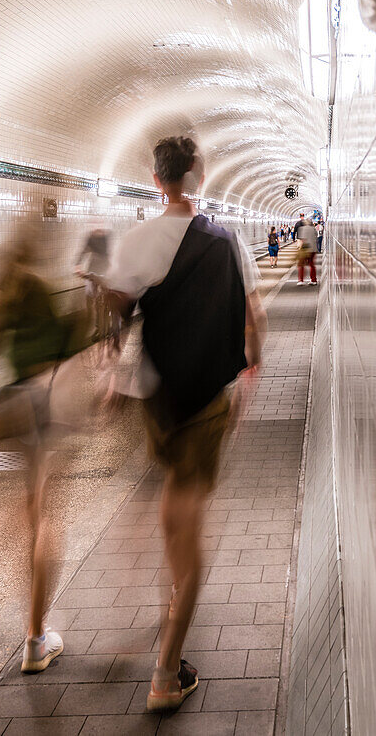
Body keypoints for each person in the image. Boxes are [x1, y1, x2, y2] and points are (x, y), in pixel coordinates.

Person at [103, 135, 266, 713]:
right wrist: (251, 368)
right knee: (191, 526)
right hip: (205, 400)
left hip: (157, 399)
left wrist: (109, 379)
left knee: (174, 502)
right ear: (197, 175)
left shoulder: (139, 239)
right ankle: (168, 672)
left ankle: (166, 600)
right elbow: (254, 318)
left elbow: (116, 313)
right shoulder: (226, 239)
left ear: (155, 179)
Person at [0, 223, 88, 673]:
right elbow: (70, 346)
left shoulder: (2, 292)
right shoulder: (40, 285)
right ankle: (36, 640)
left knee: (30, 508)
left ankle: (34, 629)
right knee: (47, 518)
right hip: (45, 400)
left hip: (14, 402)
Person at [296, 216, 317, 286]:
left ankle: (301, 280)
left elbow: (301, 240)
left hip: (305, 249)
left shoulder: (301, 229)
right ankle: (313, 280)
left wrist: (299, 248)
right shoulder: (313, 229)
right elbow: (316, 237)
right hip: (313, 249)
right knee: (312, 264)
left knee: (301, 265)